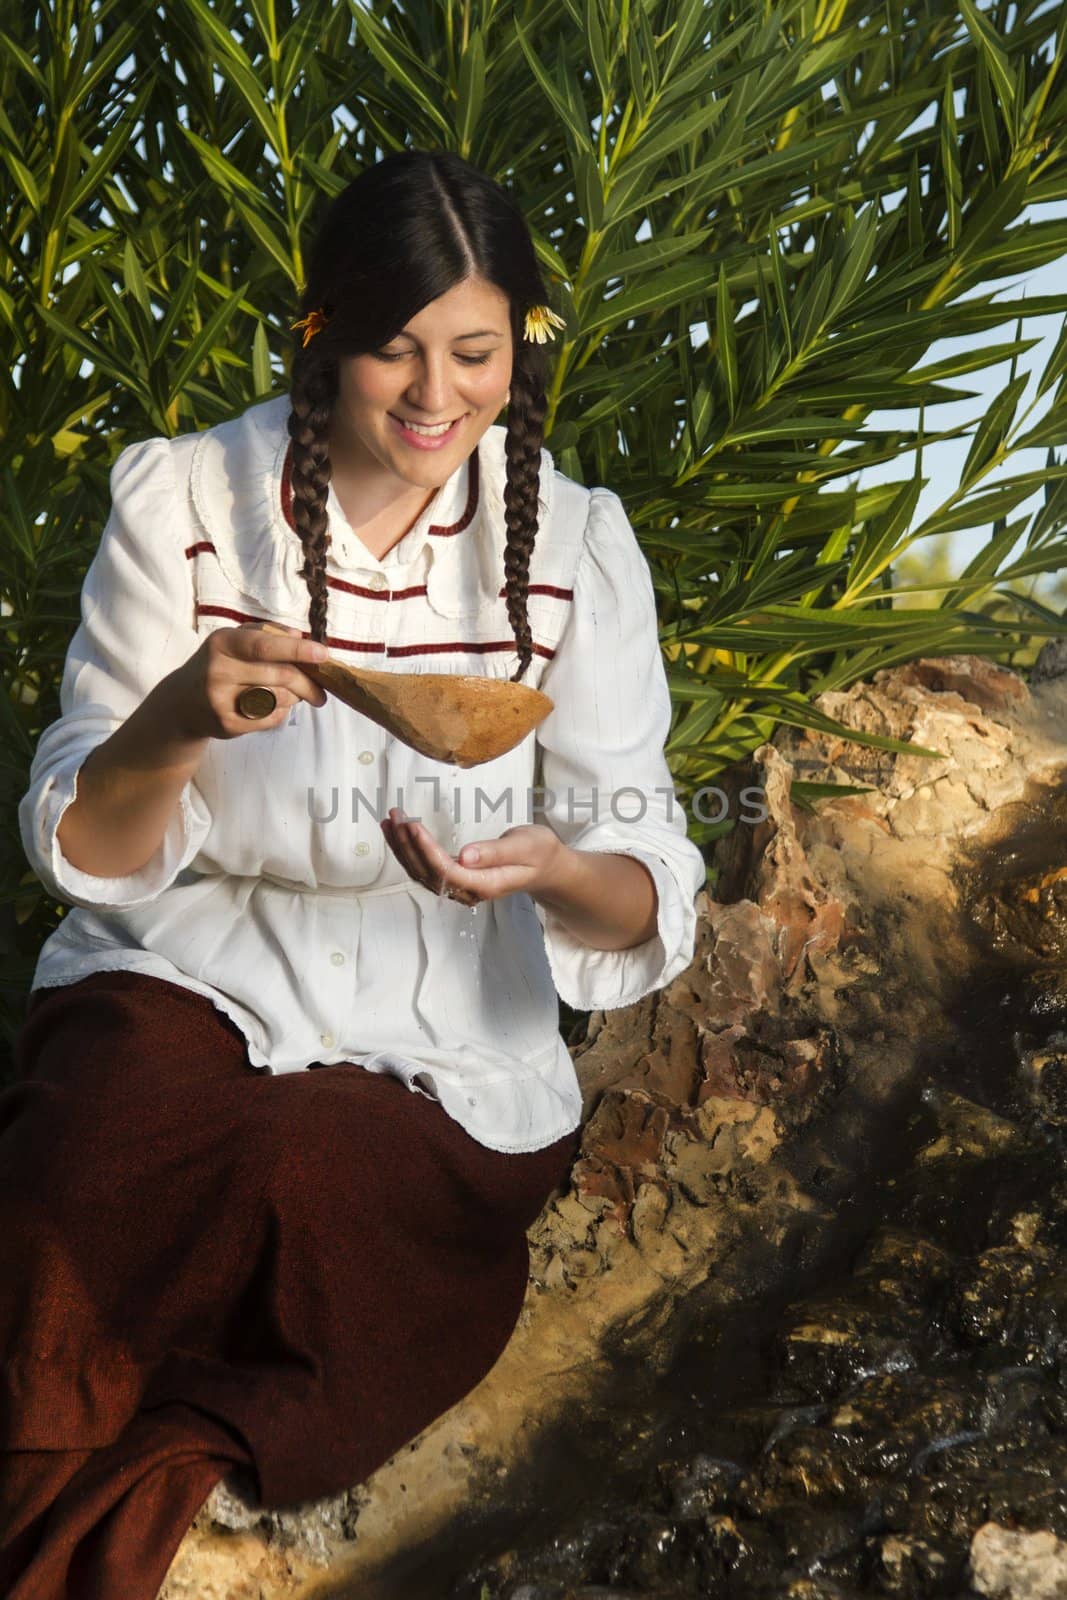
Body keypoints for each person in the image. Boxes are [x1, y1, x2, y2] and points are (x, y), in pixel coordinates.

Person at [0, 148, 705, 1598]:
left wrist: (556, 871)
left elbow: (648, 871)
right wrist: (181, 715)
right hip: (184, 975)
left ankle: (127, 1508)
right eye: (395, 349)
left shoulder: (574, 545)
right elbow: (88, 847)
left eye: (475, 351)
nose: (436, 396)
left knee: (315, 1185)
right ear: (322, 335)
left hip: (444, 1039)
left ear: (520, 349)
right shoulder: (188, 499)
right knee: (96, 1164)